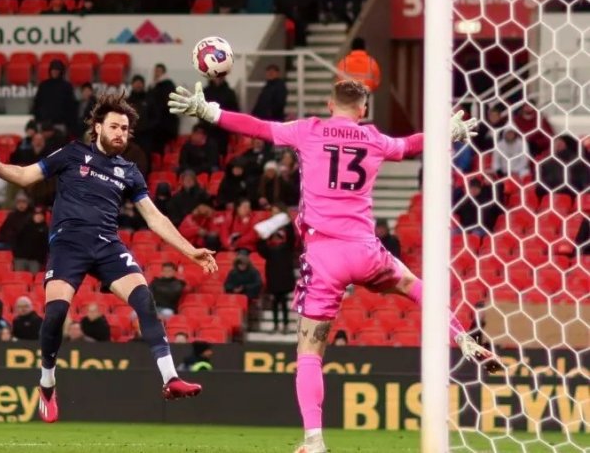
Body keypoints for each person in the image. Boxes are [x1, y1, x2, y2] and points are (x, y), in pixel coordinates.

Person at [168, 79, 502, 453]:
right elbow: (409, 145)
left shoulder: (309, 130)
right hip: (365, 249)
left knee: (309, 352)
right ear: (363, 110)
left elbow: (258, 127)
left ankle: (314, 440)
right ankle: (462, 337)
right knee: (414, 286)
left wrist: (207, 111)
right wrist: (447, 132)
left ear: (329, 104)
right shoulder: (373, 138)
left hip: (324, 255)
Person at [0, 92, 216, 423]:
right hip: (68, 245)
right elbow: (27, 176)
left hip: (107, 246)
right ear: (97, 126)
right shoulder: (72, 154)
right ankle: (46, 383)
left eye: (125, 129)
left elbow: (154, 218)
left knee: (145, 301)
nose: (120, 133)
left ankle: (170, 378)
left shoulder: (129, 171)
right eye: (114, 126)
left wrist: (189, 250)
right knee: (55, 315)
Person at [12, 206, 50, 275]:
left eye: (40, 215)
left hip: (36, 261)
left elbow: (46, 246)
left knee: (34, 278)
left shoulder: (46, 229)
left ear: (43, 216)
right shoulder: (24, 226)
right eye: (36, 214)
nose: (38, 216)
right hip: (20, 258)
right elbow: (16, 239)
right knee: (19, 278)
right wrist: (16, 254)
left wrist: (41, 259)